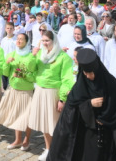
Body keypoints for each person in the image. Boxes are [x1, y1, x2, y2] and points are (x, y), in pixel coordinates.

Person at [48, 49, 116, 161]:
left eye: (90, 73)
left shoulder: (111, 84)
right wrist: (88, 105)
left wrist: (105, 119)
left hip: (108, 136)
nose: (88, 76)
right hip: (87, 136)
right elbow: (70, 111)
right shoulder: (80, 86)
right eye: (85, 73)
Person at [27, 30, 75, 161]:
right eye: (43, 41)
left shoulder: (63, 57)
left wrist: (62, 99)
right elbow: (31, 69)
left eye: (47, 41)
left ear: (54, 41)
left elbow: (67, 79)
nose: (45, 43)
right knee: (44, 123)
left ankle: (59, 149)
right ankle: (48, 149)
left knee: (54, 124)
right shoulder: (40, 55)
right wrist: (32, 56)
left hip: (53, 92)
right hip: (40, 90)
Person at [0, 33, 36, 151]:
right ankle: (18, 140)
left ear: (26, 42)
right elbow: (4, 73)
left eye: (21, 39)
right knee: (16, 115)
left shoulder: (31, 57)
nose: (19, 41)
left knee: (28, 117)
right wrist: (7, 63)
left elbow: (33, 76)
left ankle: (26, 140)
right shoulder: (12, 54)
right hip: (13, 89)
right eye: (17, 39)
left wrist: (22, 75)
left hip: (26, 91)